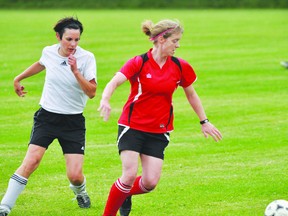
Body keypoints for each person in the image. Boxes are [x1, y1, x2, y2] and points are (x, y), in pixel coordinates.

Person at [97, 19, 222, 216]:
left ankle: (125, 193)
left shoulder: (180, 66)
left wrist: (204, 121)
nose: (178, 45)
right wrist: (105, 99)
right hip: (132, 126)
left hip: (159, 130)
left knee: (150, 183)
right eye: (175, 40)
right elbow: (114, 82)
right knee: (128, 175)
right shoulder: (139, 62)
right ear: (162, 39)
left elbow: (191, 94)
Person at [0, 17, 97, 216]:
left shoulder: (86, 58)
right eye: (69, 39)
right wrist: (19, 78)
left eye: (77, 40)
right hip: (47, 118)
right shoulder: (49, 51)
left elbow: (92, 92)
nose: (73, 44)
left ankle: (80, 192)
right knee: (31, 162)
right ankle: (4, 207)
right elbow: (41, 63)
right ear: (58, 37)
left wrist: (76, 71)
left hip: (73, 122)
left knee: (75, 176)